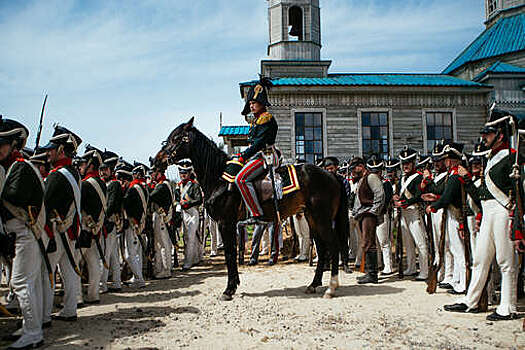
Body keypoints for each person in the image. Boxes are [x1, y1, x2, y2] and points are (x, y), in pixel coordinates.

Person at [445, 109, 522, 321]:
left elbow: (519, 192)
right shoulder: (490, 157)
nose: (484, 137)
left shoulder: (513, 157)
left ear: (500, 134)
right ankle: (471, 301)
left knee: (506, 261)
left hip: (503, 210)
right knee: (480, 259)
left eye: (488, 133)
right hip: (487, 212)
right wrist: (469, 181)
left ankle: (508, 306)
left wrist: (518, 224)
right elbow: (481, 195)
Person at [0, 117, 46, 349]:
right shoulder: (14, 168)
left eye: (2, 144)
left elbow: (11, 197)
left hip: (23, 233)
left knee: (20, 283)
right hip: (19, 232)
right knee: (29, 283)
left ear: (14, 145)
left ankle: (33, 332)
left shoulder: (20, 168)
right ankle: (31, 328)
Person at [41, 126, 84, 324]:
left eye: (51, 148)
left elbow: (45, 202)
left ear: (61, 149)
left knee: (47, 271)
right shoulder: (73, 172)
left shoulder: (58, 175)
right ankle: (69, 309)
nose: (47, 152)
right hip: (70, 229)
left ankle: (42, 316)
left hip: (57, 230)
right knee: (68, 270)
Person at [234, 77, 278, 224]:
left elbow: (259, 143)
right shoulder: (257, 120)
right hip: (258, 155)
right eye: (250, 103)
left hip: (266, 156)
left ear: (262, 103)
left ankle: (256, 213)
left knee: (240, 179)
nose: (251, 106)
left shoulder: (266, 118)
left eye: (254, 103)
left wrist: (244, 155)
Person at [425, 142, 467, 294]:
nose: (444, 162)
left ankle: (463, 283)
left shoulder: (455, 176)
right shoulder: (453, 174)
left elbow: (447, 197)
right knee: (454, 249)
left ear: (452, 160)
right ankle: (457, 279)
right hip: (451, 214)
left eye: (446, 159)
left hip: (456, 215)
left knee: (458, 250)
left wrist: (433, 206)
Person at [78, 145, 107, 304]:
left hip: (84, 227)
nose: (81, 166)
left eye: (84, 164)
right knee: (94, 261)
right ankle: (93, 294)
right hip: (97, 226)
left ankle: (75, 297)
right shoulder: (102, 183)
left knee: (75, 262)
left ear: (91, 165)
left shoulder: (86, 184)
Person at [393, 147, 428, 281]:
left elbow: (419, 196)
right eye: (404, 163)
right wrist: (397, 199)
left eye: (408, 163)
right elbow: (402, 195)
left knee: (420, 243)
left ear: (413, 163)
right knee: (407, 243)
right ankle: (411, 267)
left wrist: (405, 203)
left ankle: (424, 270)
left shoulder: (418, 177)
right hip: (404, 213)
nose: (405, 166)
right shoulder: (402, 178)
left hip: (414, 211)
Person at [350, 156, 385, 284]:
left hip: (368, 214)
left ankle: (372, 274)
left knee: (370, 243)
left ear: (361, 166)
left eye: (355, 168)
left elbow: (380, 195)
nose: (353, 170)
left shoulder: (371, 177)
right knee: (366, 243)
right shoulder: (362, 179)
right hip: (362, 214)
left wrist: (373, 211)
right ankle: (370, 273)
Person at [321, 156, 352, 273]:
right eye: (327, 169)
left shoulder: (343, 181)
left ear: (336, 168)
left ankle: (345, 263)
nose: (330, 171)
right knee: (326, 239)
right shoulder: (322, 183)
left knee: (343, 239)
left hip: (341, 213)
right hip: (327, 215)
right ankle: (326, 263)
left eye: (332, 168)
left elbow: (347, 196)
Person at [122, 161, 150, 288]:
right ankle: (137, 277)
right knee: (136, 253)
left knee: (130, 254)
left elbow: (128, 206)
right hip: (139, 223)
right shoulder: (142, 188)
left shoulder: (133, 190)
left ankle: (139, 279)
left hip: (133, 224)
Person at [100, 150, 124, 293]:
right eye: (101, 169)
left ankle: (102, 284)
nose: (103, 172)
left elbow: (111, 204)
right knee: (114, 255)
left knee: (105, 253)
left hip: (109, 221)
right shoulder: (108, 183)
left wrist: (102, 219)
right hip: (109, 222)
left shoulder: (113, 184)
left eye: (105, 169)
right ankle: (116, 282)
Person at [366, 156, 393, 275]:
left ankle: (388, 266)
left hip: (381, 214)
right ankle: (377, 264)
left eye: (377, 171)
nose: (375, 174)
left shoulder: (386, 184)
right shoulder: (368, 184)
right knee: (374, 242)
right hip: (371, 216)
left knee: (384, 242)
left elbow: (385, 200)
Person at [176, 159, 203, 271]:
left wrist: (187, 202)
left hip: (192, 212)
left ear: (189, 173)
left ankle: (188, 262)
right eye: (181, 173)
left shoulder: (194, 185)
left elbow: (199, 199)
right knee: (187, 236)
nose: (183, 175)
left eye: (185, 173)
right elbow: (176, 199)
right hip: (183, 212)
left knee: (190, 237)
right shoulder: (178, 186)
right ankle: (196, 258)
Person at [149, 165, 175, 279]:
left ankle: (166, 269)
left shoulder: (162, 186)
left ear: (158, 173)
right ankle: (159, 268)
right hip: (159, 216)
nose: (150, 175)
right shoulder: (162, 184)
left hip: (161, 217)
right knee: (159, 244)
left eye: (152, 173)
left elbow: (151, 196)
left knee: (163, 244)